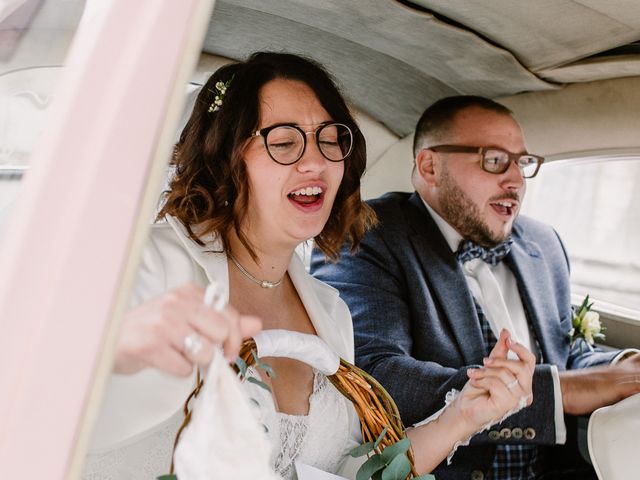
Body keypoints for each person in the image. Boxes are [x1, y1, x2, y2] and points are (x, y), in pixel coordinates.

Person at [84, 58, 535, 480]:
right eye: (283, 142)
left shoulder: (329, 311)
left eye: (329, 139)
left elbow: (347, 472)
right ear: (223, 158)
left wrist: (464, 416)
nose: (316, 161)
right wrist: (117, 347)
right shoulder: (145, 263)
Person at [311, 95, 640, 480]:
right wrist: (558, 392)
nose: (516, 179)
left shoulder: (544, 243)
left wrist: (621, 368)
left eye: (523, 162)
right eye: (495, 160)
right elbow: (375, 375)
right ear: (430, 166)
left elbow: (565, 349)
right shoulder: (368, 236)